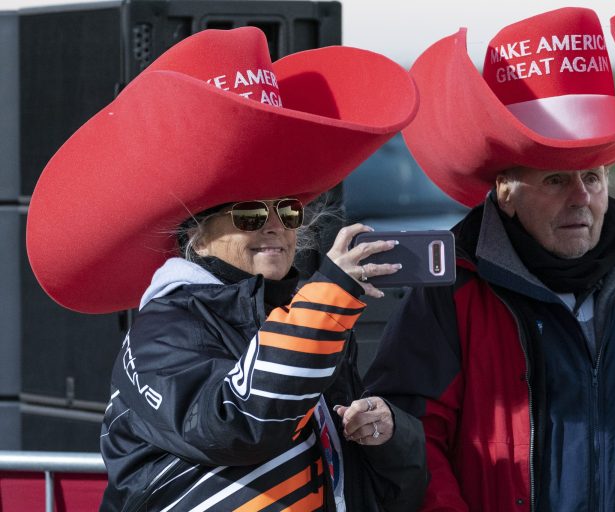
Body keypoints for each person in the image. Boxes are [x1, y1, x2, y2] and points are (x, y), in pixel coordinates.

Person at [364, 7, 615, 512]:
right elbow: (410, 443)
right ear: (505, 191)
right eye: (556, 179)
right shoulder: (452, 292)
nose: (581, 197)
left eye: (593, 176)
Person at [26, 28, 427, 511]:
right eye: (250, 215)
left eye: (288, 211)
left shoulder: (305, 313)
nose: (275, 227)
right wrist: (331, 296)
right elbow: (239, 423)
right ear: (196, 234)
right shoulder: (163, 329)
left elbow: (381, 491)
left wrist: (387, 434)